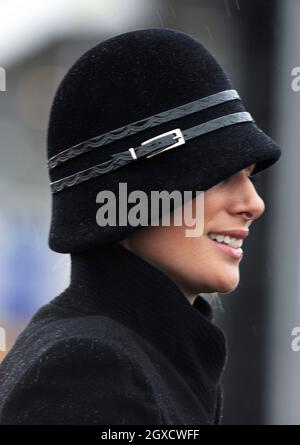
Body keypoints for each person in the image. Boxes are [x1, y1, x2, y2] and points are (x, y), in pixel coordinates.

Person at [0, 28, 281, 425]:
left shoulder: (126, 356)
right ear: (133, 194)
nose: (253, 203)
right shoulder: (92, 368)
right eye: (220, 174)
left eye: (249, 174)